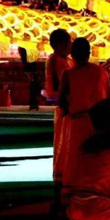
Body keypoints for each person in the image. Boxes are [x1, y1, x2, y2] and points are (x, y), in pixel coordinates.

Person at [57, 36, 110, 209]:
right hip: (99, 124)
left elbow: (62, 102)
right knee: (98, 159)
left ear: (73, 55)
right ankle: (98, 195)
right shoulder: (100, 72)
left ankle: (74, 199)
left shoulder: (69, 75)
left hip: (77, 123)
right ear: (88, 54)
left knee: (76, 159)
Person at [43, 28, 74, 209]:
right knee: (63, 151)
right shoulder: (56, 61)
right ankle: (59, 195)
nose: (71, 45)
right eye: (69, 42)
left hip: (69, 110)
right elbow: (64, 88)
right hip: (65, 111)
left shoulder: (66, 60)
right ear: (61, 45)